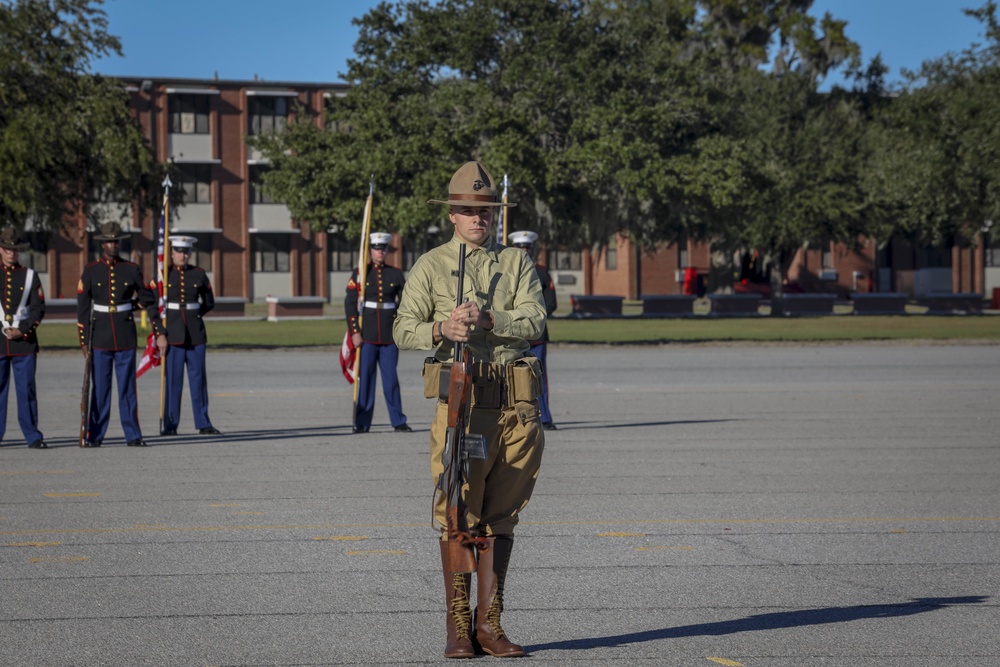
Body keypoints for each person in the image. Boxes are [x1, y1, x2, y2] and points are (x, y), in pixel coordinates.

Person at [393, 161, 547, 659]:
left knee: (503, 516)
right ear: (452, 216)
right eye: (467, 210)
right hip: (464, 403)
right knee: (458, 511)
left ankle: (490, 625)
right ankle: (459, 626)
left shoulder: (516, 263)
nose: (477, 218)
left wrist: (489, 318)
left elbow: (537, 320)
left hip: (516, 407)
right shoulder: (431, 265)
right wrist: (443, 330)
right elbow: (402, 328)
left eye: (485, 211)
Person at [77, 221, 166, 448]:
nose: (113, 245)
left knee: (127, 387)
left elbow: (148, 300)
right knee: (100, 389)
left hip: (125, 335)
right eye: (109, 241)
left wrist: (159, 331)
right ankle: (95, 434)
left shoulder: (131, 269)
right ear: (102, 244)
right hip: (99, 336)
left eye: (116, 241)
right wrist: (84, 341)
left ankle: (133, 434)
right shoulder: (90, 270)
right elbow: (84, 309)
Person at [345, 231, 410, 434]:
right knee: (366, 379)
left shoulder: (396, 274)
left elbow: (406, 303)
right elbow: (349, 304)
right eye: (376, 248)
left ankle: (398, 420)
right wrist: (355, 332)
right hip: (367, 336)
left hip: (389, 335)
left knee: (391, 380)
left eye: (383, 249)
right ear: (370, 250)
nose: (380, 252)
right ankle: (362, 422)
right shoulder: (360, 273)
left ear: (387, 251)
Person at [160, 236, 221, 437]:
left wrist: (194, 315)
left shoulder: (199, 274)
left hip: (195, 335)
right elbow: (155, 304)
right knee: (173, 382)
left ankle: (203, 422)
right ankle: (170, 425)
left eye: (186, 251)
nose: (182, 255)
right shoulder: (164, 275)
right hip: (173, 335)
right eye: (178, 251)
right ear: (172, 253)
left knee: (198, 380)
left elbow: (209, 302)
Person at [0, 228, 46, 449]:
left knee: (26, 390)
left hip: (24, 341)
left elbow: (38, 310)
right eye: (8, 249)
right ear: (1, 250)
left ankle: (32, 434)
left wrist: (23, 330)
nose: (11, 253)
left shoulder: (29, 275)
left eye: (15, 250)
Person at [508, 230, 558, 430]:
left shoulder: (542, 272)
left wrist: (533, 316)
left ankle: (544, 417)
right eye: (520, 247)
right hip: (511, 334)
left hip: (536, 335)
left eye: (527, 247)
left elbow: (551, 303)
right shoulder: (507, 271)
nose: (524, 251)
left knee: (539, 377)